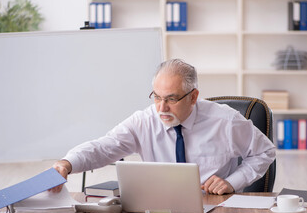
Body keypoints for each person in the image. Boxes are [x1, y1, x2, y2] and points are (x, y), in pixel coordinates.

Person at [52, 59, 276, 195]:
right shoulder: (144, 120)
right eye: (156, 97)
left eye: (171, 99)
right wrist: (67, 163)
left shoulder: (225, 122)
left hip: (214, 205)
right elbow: (104, 147)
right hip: (159, 208)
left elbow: (265, 151)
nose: (162, 108)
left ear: (193, 96)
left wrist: (232, 182)